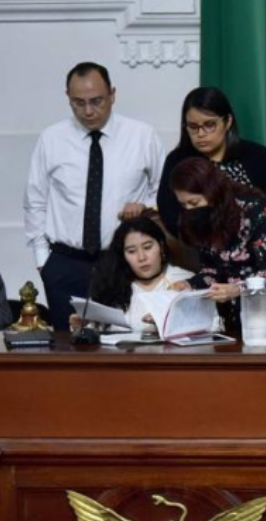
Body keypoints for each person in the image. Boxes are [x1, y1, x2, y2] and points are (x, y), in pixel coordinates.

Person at [23, 62, 164, 330]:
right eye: (79, 102)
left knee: (123, 347)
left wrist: (145, 207)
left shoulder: (142, 136)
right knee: (68, 350)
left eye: (97, 101)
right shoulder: (51, 139)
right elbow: (35, 201)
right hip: (65, 262)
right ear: (68, 97)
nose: (88, 111)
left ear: (113, 94)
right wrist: (43, 261)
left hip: (122, 262)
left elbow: (164, 192)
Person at [170, 157, 266, 331]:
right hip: (241, 307)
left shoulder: (256, 210)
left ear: (212, 192)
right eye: (183, 204)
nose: (189, 209)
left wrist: (237, 289)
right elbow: (211, 269)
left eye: (194, 203)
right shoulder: (199, 218)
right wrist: (190, 284)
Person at [158, 87, 266, 235]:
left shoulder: (259, 157)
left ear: (228, 121)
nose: (201, 134)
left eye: (209, 125)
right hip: (199, 246)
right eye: (193, 127)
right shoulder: (177, 161)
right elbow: (170, 213)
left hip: (259, 242)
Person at [75, 215, 194, 333]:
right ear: (123, 255)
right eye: (131, 251)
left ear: (161, 246)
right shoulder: (110, 284)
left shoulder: (185, 280)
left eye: (147, 247)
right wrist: (84, 325)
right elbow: (96, 331)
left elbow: (208, 325)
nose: (142, 257)